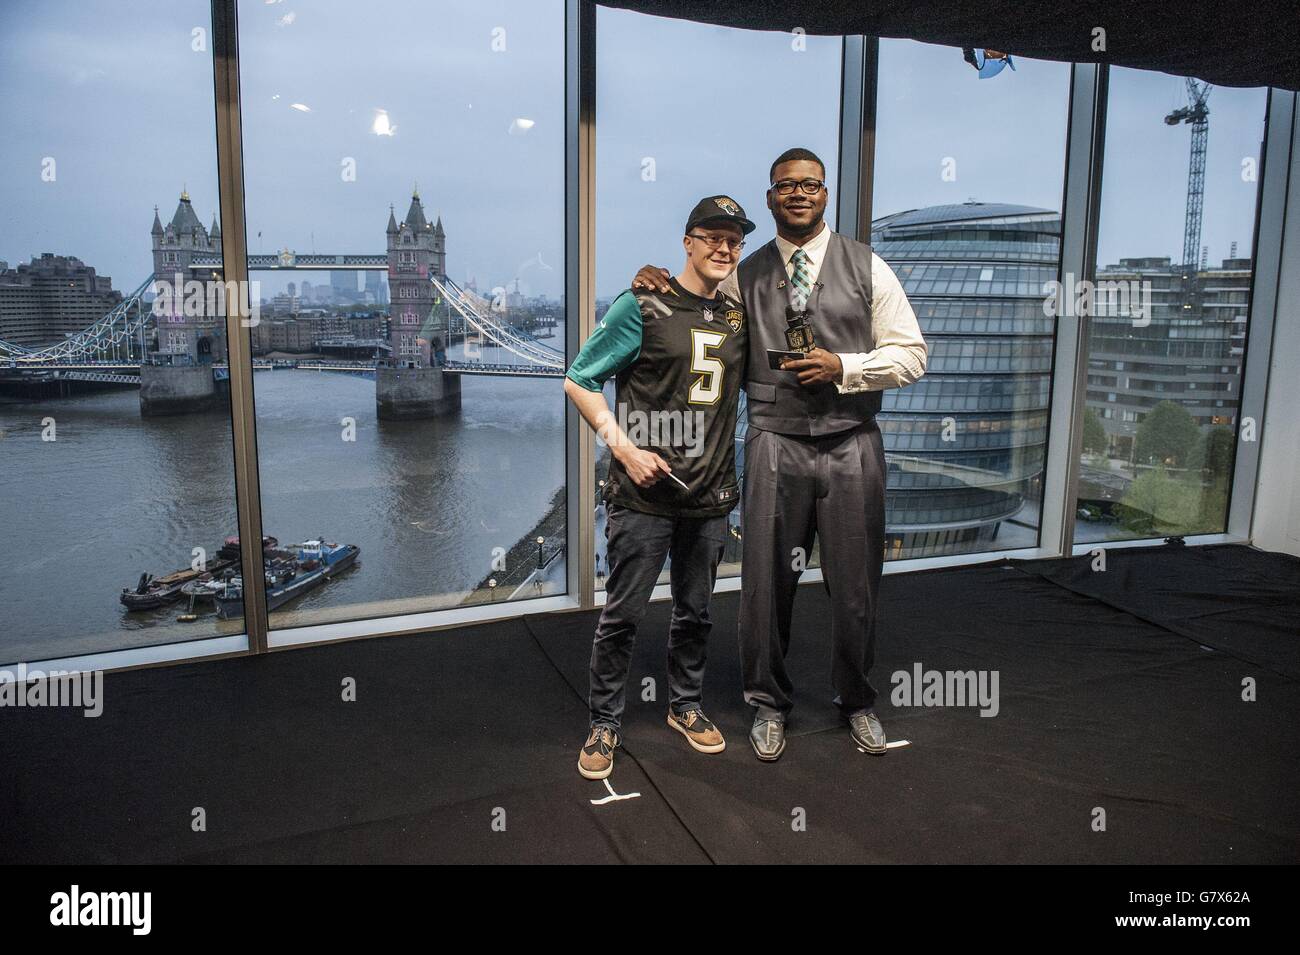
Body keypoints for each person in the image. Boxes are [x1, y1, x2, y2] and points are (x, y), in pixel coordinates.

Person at [634, 148, 927, 762]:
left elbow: (911, 356)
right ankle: (767, 705)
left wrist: (845, 365)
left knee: (856, 589)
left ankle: (857, 702)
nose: (798, 193)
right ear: (770, 198)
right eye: (785, 186)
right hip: (773, 441)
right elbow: (692, 314)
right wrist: (653, 282)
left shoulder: (868, 267)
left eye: (810, 184)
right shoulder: (743, 273)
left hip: (852, 442)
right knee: (766, 588)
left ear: (826, 194)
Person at [565, 195, 755, 779]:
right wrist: (622, 446)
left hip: (711, 497)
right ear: (688, 242)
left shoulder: (738, 317)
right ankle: (604, 722)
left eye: (734, 240)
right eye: (712, 236)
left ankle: (686, 707)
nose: (724, 247)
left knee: (696, 613)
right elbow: (579, 378)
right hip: (643, 497)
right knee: (622, 616)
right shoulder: (640, 304)